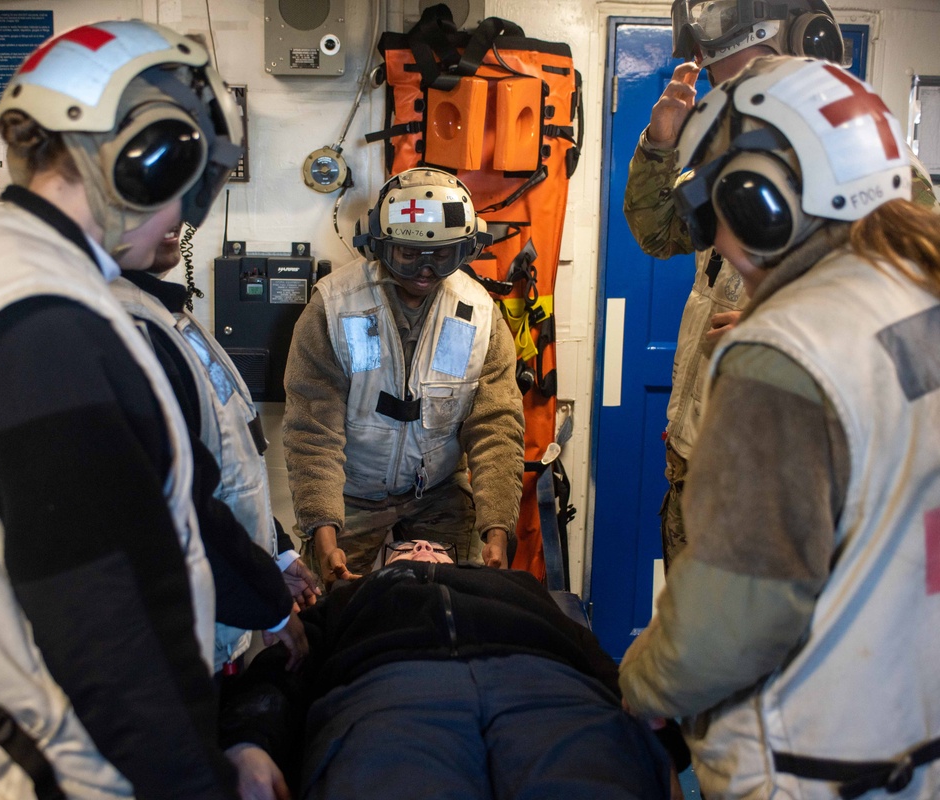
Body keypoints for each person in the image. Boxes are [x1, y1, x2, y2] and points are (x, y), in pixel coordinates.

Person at [0, 19, 255, 800]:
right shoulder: (45, 327)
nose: (184, 216)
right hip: (86, 767)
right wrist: (203, 779)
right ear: (146, 165)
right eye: (190, 182)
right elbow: (105, 625)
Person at [619, 55, 940, 799]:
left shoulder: (788, 348)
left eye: (714, 203)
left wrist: (643, 678)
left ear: (758, 200)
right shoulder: (914, 285)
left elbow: (736, 619)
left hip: (812, 764)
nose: (714, 234)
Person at [624, 0, 938, 569]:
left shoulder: (875, 170)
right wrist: (660, 145)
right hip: (703, 458)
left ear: (811, 53)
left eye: (749, 83)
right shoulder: (735, 158)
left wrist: (784, 336)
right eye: (723, 91)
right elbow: (660, 234)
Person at [219, 540, 677, 800]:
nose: (422, 548)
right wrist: (248, 742)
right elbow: (284, 666)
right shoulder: (348, 598)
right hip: (391, 699)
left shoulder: (516, 584)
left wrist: (663, 750)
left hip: (548, 691)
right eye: (405, 547)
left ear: (456, 562)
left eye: (433, 546)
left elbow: (592, 655)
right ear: (383, 566)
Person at [282, 167, 525, 586]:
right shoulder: (335, 308)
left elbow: (495, 427)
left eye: (443, 255)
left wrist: (497, 527)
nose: (425, 269)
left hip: (439, 492)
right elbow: (312, 429)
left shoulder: (479, 314)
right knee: (333, 606)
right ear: (379, 245)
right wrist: (323, 530)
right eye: (407, 254)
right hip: (350, 494)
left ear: (466, 250)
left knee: (456, 604)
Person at [113, 228, 320, 675]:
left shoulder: (169, 315)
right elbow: (177, 505)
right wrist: (269, 602)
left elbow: (230, 465)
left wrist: (278, 552)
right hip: (179, 636)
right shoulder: (126, 329)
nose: (178, 217)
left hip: (219, 615)